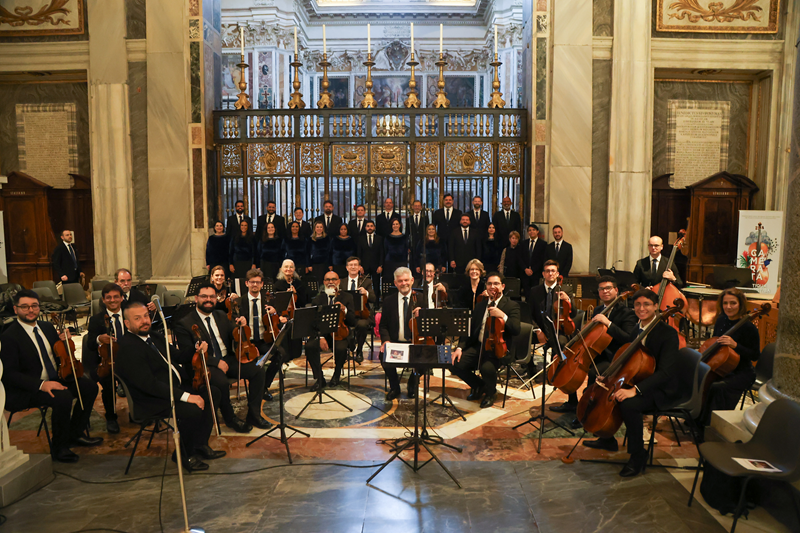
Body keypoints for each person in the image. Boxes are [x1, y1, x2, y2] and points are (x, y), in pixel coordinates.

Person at [583, 289, 682, 478]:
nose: (641, 308)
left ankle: (637, 456)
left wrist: (635, 391)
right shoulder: (638, 328)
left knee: (628, 404)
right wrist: (609, 375)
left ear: (655, 307)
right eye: (637, 304)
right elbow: (627, 355)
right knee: (600, 390)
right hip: (640, 379)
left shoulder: (667, 333)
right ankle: (607, 437)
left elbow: (666, 373)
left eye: (646, 304)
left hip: (661, 389)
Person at [116, 301, 224, 472]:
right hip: (152, 398)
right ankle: (183, 454)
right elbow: (149, 384)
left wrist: (195, 349)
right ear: (127, 324)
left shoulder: (154, 336)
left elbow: (178, 355)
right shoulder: (128, 348)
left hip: (173, 387)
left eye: (146, 316)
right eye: (137, 318)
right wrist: (187, 397)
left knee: (213, 392)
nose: (144, 321)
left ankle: (200, 444)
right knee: (193, 409)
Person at [0, 290, 102, 463]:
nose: (30, 310)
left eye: (34, 306)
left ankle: (75, 434)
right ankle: (60, 447)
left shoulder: (47, 327)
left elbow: (58, 355)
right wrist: (42, 385)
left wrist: (64, 343)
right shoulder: (9, 336)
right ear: (16, 309)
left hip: (56, 378)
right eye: (24, 307)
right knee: (63, 397)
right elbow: (9, 374)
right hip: (28, 388)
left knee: (89, 387)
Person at [174, 282, 272, 432]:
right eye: (204, 296)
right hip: (205, 364)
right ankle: (230, 418)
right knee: (221, 381)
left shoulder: (220, 315)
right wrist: (215, 361)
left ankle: (254, 415)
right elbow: (186, 354)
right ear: (196, 298)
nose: (208, 299)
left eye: (212, 296)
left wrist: (242, 328)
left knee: (258, 370)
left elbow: (235, 335)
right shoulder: (184, 323)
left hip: (228, 358)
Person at [551, 276, 637, 421]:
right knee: (569, 365)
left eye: (608, 288)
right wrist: (567, 351)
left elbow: (628, 339)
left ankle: (587, 413)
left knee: (592, 374)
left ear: (616, 290)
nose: (605, 292)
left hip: (613, 356)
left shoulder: (627, 313)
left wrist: (609, 324)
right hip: (596, 352)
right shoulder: (598, 309)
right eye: (601, 289)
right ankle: (573, 403)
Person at [450, 272, 521, 408]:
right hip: (479, 345)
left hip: (499, 348)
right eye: (489, 284)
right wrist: (459, 348)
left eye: (496, 284)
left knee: (486, 368)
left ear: (503, 286)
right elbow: (469, 329)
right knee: (454, 362)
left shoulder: (512, 306)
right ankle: (480, 385)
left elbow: (516, 329)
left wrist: (503, 316)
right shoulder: (481, 305)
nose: (492, 286)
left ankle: (490, 393)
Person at [698, 288, 760, 426]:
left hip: (742, 372)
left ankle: (712, 426)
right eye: (725, 303)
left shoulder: (749, 327)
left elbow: (755, 355)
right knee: (699, 380)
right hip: (721, 367)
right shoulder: (721, 320)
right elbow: (717, 344)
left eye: (733, 303)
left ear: (740, 304)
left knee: (717, 387)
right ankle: (697, 418)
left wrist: (735, 345)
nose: (728, 307)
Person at [231, 268, 284, 401]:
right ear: (247, 283)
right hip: (246, 343)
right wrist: (238, 322)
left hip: (263, 340)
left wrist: (274, 313)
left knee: (280, 355)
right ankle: (256, 388)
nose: (255, 285)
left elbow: (277, 320)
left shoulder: (269, 301)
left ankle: (264, 386)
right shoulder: (239, 302)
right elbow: (231, 324)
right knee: (253, 366)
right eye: (252, 282)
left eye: (258, 282)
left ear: (261, 284)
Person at [85, 283, 129, 434]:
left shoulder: (130, 315)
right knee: (108, 384)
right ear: (103, 300)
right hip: (107, 362)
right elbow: (90, 343)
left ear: (122, 298)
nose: (112, 300)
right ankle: (111, 417)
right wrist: (99, 338)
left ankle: (138, 412)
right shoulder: (96, 320)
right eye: (108, 297)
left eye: (116, 297)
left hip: (128, 359)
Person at [306, 271, 357, 389]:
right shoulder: (318, 299)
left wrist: (344, 310)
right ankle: (320, 378)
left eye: (334, 279)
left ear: (338, 282)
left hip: (341, 333)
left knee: (341, 348)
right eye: (327, 280)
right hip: (322, 334)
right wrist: (321, 337)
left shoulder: (347, 297)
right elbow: (313, 322)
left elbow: (352, 322)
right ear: (324, 282)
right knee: (310, 347)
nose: (331, 282)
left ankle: (337, 375)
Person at [263, 260, 308, 393]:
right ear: (282, 269)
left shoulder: (299, 284)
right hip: (283, 315)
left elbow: (305, 301)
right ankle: (285, 354)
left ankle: (295, 351)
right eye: (286, 267)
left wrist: (296, 293)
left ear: (294, 269)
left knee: (296, 322)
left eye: (291, 267)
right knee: (284, 323)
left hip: (296, 314)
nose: (288, 269)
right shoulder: (278, 285)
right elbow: (275, 303)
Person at [529, 260, 576, 379]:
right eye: (547, 271)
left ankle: (554, 371)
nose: (550, 273)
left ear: (557, 274)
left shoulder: (566, 290)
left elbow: (574, 313)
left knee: (561, 342)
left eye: (553, 271)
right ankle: (530, 368)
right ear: (543, 274)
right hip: (540, 329)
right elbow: (529, 314)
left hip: (558, 330)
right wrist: (537, 330)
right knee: (521, 337)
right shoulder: (534, 291)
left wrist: (568, 300)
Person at [379, 267, 420, 401]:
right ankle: (395, 387)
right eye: (400, 281)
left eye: (406, 280)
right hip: (395, 343)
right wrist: (385, 341)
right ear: (395, 283)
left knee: (427, 355)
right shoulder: (388, 301)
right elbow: (383, 325)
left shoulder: (421, 299)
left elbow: (429, 326)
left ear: (412, 280)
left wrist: (423, 315)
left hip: (414, 342)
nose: (404, 283)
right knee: (382, 355)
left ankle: (413, 384)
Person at [340, 256, 376, 363]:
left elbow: (374, 299)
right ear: (347, 267)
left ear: (360, 267)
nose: (353, 267)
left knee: (362, 325)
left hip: (361, 314)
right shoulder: (341, 282)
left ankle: (359, 350)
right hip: (346, 314)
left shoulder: (367, 282)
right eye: (350, 265)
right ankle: (347, 347)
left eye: (355, 265)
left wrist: (367, 293)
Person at [357, 220, 384, 300]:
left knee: (376, 285)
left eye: (371, 226)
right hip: (364, 266)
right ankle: (366, 303)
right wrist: (359, 265)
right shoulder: (361, 239)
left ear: (374, 227)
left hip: (376, 266)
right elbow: (359, 253)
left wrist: (381, 265)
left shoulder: (379, 238)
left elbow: (382, 252)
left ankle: (376, 303)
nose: (370, 228)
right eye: (368, 226)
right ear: (365, 227)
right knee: (364, 285)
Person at [432, 194, 462, 259]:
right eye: (446, 200)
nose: (448, 201)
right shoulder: (437, 212)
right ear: (443, 201)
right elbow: (433, 226)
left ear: (453, 201)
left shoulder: (458, 213)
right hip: (440, 240)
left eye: (450, 200)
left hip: (454, 241)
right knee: (441, 260)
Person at [522, 223, 547, 292]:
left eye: (533, 230)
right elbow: (520, 258)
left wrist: (533, 269)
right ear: (528, 232)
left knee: (536, 293)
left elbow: (543, 259)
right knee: (526, 294)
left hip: (537, 274)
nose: (531, 231)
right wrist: (525, 269)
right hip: (525, 274)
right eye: (530, 230)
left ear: (537, 231)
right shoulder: (523, 243)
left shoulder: (543, 244)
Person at [406, 200, 429, 273]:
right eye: (415, 206)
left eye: (418, 206)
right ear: (412, 207)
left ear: (421, 207)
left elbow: (427, 231)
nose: (417, 207)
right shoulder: (409, 219)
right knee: (413, 263)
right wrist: (408, 246)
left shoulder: (425, 218)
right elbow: (407, 233)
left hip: (422, 243)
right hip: (413, 244)